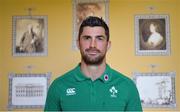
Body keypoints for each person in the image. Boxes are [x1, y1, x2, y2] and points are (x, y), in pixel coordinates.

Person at [44, 16, 142, 111]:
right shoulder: (58, 86)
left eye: (99, 38)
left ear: (108, 45)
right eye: (87, 38)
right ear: (78, 44)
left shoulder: (127, 86)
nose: (92, 45)